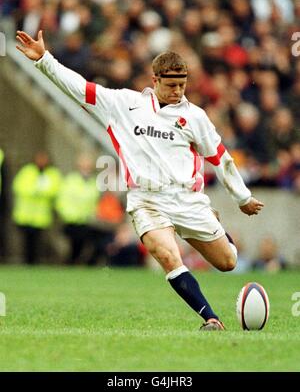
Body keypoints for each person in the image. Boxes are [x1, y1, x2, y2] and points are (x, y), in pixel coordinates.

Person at [16, 30, 264, 330]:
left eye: (182, 85)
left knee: (228, 263)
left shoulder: (195, 117)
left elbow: (220, 158)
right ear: (155, 80)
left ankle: (213, 223)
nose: (177, 92)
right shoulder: (124, 104)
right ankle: (210, 318)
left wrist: (243, 198)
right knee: (168, 256)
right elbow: (80, 88)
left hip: (186, 199)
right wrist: (44, 59)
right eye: (171, 85)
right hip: (146, 200)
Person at [12, 151, 61, 264]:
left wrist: (41, 192)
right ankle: (26, 261)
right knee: (26, 241)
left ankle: (35, 261)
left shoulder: (52, 173)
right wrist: (35, 191)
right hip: (25, 215)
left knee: (38, 241)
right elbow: (18, 186)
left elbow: (55, 189)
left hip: (41, 216)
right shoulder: (27, 171)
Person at [55, 153, 99, 264]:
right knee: (73, 245)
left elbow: (94, 201)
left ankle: (73, 264)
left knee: (82, 246)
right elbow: (62, 198)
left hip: (85, 220)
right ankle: (69, 264)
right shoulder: (71, 180)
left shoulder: (93, 182)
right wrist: (66, 214)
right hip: (71, 219)